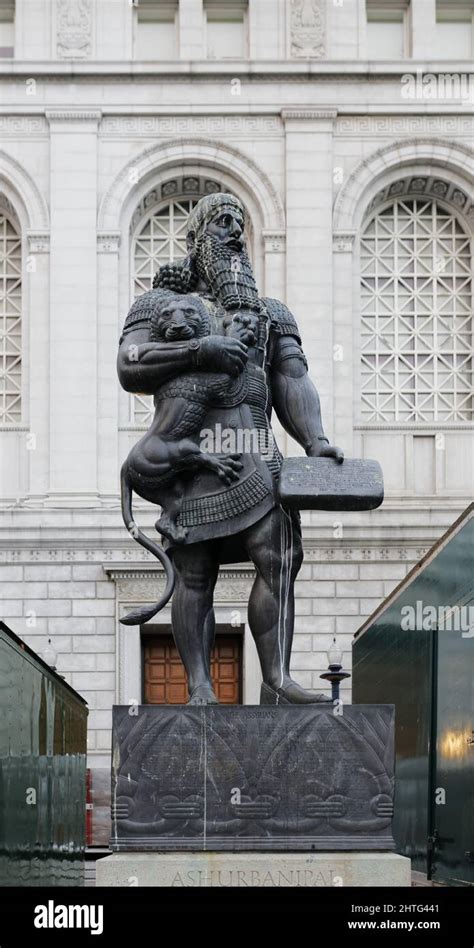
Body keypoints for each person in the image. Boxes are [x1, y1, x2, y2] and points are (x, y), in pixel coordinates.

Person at [117, 192, 343, 705]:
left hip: (258, 457)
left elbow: (293, 378)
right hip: (193, 456)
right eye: (223, 224)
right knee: (195, 573)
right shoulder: (157, 305)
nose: (236, 234)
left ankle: (278, 679)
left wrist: (317, 440)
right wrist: (201, 348)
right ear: (197, 239)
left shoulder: (272, 313)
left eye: (240, 226)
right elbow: (129, 364)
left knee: (280, 558)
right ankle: (200, 687)